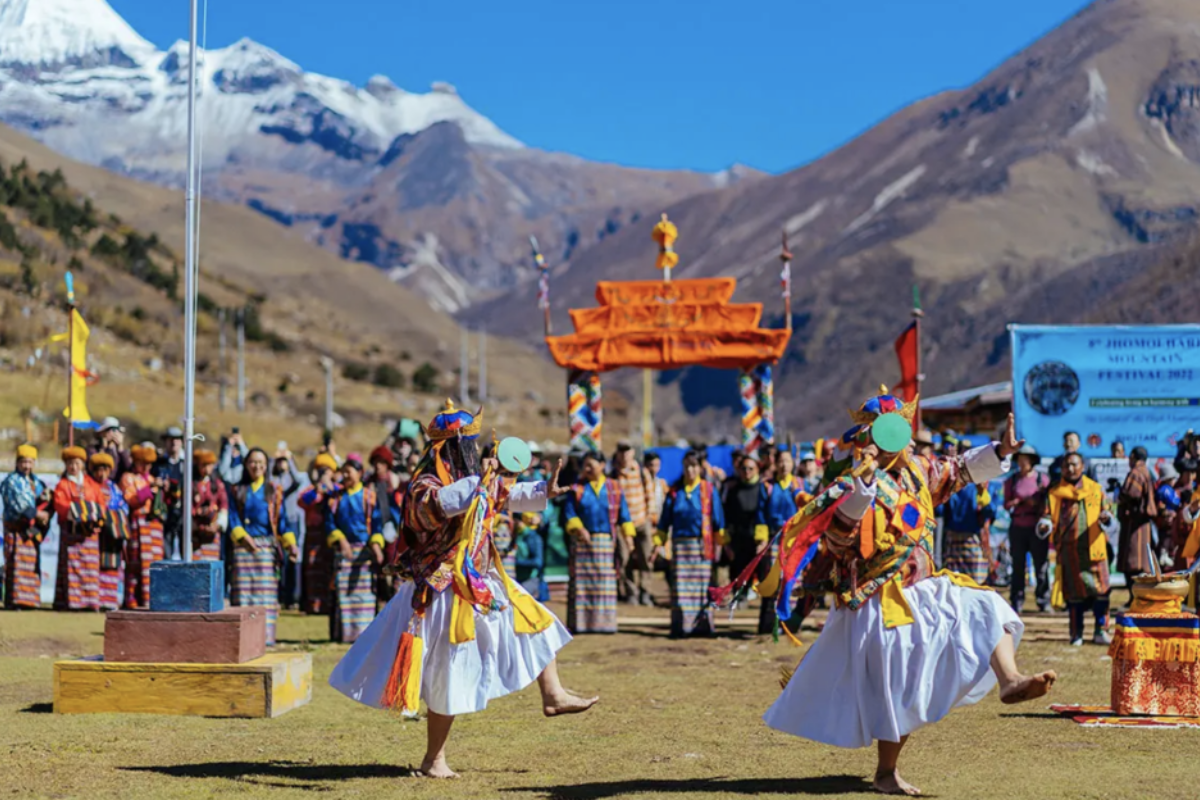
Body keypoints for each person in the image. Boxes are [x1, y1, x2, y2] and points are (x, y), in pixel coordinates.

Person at [760, 391, 1050, 797]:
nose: (911, 439)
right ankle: (886, 772)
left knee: (987, 606)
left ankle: (1010, 679)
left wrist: (1001, 449)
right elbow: (839, 544)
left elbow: (960, 469)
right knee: (901, 687)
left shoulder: (918, 470)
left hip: (925, 590)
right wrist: (860, 493)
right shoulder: (853, 482)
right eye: (900, 431)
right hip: (877, 602)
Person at [328, 401, 596, 779]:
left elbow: (500, 496)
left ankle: (552, 694)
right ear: (452, 446)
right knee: (448, 673)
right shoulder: (426, 483)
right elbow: (440, 505)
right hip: (442, 590)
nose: (474, 450)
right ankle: (434, 758)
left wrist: (543, 491)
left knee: (537, 619)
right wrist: (482, 480)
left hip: (479, 580)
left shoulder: (477, 480)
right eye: (468, 442)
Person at [1041, 452, 1118, 645]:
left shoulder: (1096, 490)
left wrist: (1106, 518)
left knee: (1102, 591)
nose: (1071, 469)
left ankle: (1101, 631)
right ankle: (1076, 634)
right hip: (1069, 551)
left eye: (1075, 465)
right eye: (1067, 465)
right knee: (1074, 596)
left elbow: (1109, 513)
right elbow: (1047, 517)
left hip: (1095, 550)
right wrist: (1044, 525)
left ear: (1083, 467)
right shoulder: (1055, 493)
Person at [229, 447, 300, 646]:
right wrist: (242, 537)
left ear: (266, 465)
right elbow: (233, 518)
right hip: (243, 549)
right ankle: (243, 638)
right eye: (252, 462)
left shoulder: (274, 491)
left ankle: (265, 637)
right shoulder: (237, 490)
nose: (256, 466)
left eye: (260, 462)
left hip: (265, 550)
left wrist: (291, 545)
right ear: (246, 465)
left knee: (264, 596)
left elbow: (282, 521)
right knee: (244, 593)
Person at [563, 451, 635, 634]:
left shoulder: (614, 488)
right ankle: (582, 624)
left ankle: (605, 624)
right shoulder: (577, 489)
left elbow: (624, 515)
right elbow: (569, 513)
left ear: (602, 465)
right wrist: (579, 528)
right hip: (582, 543)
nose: (587, 469)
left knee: (605, 583)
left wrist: (628, 538)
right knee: (582, 585)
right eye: (584, 465)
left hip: (605, 542)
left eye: (591, 465)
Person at [655, 453, 725, 637]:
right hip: (680, 546)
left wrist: (722, 544)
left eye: (694, 466)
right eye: (687, 466)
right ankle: (682, 627)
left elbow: (717, 520)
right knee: (681, 588)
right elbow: (664, 521)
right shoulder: (674, 492)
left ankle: (703, 626)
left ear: (700, 468)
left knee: (702, 588)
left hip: (702, 546)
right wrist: (658, 544)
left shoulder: (709, 490)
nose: (690, 470)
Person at [325, 456, 390, 644]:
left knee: (365, 595)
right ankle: (344, 635)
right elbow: (330, 524)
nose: (345, 475)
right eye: (343, 472)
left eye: (349, 472)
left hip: (365, 552)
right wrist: (341, 540)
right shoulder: (335, 499)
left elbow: (377, 524)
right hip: (343, 552)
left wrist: (376, 545)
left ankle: (364, 635)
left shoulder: (369, 496)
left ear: (360, 473)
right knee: (343, 595)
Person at [721, 452, 773, 634]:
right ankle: (734, 615)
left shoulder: (764, 489)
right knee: (739, 579)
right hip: (738, 543)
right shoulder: (732, 490)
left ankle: (766, 624)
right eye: (743, 468)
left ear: (757, 469)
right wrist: (726, 543)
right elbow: (726, 517)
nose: (747, 472)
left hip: (760, 543)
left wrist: (763, 539)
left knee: (767, 582)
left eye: (751, 468)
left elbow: (767, 515)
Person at [2, 444, 51, 609]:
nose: (27, 466)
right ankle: (14, 601)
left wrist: (47, 513)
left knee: (31, 565)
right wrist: (38, 515)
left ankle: (30, 601)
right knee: (15, 564)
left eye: (30, 462)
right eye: (23, 462)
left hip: (32, 531)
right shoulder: (11, 481)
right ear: (17, 462)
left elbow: (45, 501)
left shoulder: (38, 482)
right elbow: (19, 506)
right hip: (16, 529)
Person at [52, 447, 101, 611]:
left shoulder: (91, 484)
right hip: (71, 533)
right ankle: (74, 602)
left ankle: (90, 602)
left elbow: (100, 502)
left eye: (77, 463)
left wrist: (93, 515)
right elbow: (60, 504)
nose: (73, 467)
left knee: (90, 568)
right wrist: (78, 512)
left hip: (89, 534)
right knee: (72, 568)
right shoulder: (62, 485)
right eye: (70, 463)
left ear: (82, 464)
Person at [1004, 445, 1051, 614]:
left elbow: (1049, 503)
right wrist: (1017, 502)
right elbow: (1006, 504)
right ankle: (1016, 600)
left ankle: (1043, 600)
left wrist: (1035, 503)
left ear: (1032, 461)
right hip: (1017, 527)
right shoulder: (1012, 480)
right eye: (1020, 459)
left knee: (1041, 565)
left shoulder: (1042, 480)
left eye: (1026, 459)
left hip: (1037, 528)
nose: (1022, 462)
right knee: (1018, 566)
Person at [120, 444, 165, 609]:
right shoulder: (128, 478)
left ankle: (150, 599)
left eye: (148, 463)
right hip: (137, 524)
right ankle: (132, 600)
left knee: (153, 565)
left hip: (153, 526)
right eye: (142, 462)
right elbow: (131, 499)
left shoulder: (153, 479)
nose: (145, 467)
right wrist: (148, 491)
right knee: (135, 564)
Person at [611, 440, 652, 606]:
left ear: (633, 453)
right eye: (621, 451)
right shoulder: (612, 474)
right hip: (622, 525)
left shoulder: (642, 472)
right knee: (624, 559)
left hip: (642, 520)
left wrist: (651, 519)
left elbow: (650, 496)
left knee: (646, 558)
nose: (624, 455)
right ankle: (631, 592)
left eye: (627, 451)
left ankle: (646, 592)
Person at [88, 452, 128, 610]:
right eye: (98, 469)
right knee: (94, 565)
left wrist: (114, 516)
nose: (101, 473)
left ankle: (108, 601)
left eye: (105, 469)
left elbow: (123, 506)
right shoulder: (89, 485)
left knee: (110, 564)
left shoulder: (114, 488)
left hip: (111, 532)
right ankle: (94, 599)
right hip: (94, 531)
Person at [1117, 446, 1158, 593]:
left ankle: (1135, 597)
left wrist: (1121, 495)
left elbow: (1132, 493)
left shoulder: (1136, 472)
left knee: (1133, 561)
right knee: (1138, 560)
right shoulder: (1146, 471)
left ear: (1133, 457)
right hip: (1141, 522)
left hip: (1135, 524)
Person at [942, 481, 998, 585]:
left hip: (973, 539)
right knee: (953, 581)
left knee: (974, 582)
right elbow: (941, 510)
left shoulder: (987, 486)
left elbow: (991, 512)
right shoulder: (953, 485)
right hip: (953, 538)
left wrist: (982, 493)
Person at [368, 446, 403, 606]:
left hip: (392, 528)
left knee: (393, 561)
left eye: (381, 462)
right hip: (374, 528)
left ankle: (393, 597)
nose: (378, 466)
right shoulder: (369, 483)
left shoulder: (395, 480)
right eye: (376, 462)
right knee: (377, 564)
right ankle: (379, 597)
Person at [152, 427, 186, 559]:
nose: (173, 443)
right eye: (170, 440)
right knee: (166, 549)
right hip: (165, 511)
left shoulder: (187, 464)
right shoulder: (159, 463)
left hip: (183, 511)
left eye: (177, 440)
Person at [192, 449, 228, 562]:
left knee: (211, 565)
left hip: (212, 530)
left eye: (209, 465)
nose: (206, 469)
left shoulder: (217, 484)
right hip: (195, 532)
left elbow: (223, 505)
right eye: (203, 465)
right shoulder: (190, 483)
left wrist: (218, 525)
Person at [88, 417, 132, 484]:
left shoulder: (120, 452)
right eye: (109, 429)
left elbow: (129, 468)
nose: (113, 433)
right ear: (101, 433)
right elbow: (96, 467)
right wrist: (103, 448)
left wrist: (120, 448)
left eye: (116, 430)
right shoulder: (92, 449)